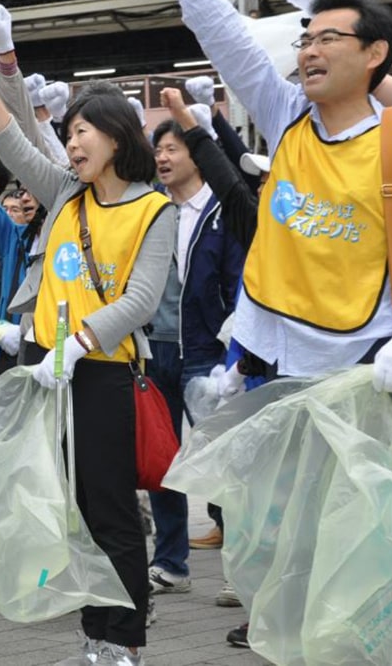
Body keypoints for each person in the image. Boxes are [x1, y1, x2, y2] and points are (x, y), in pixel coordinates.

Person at [142, 0, 392, 648]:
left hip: (363, 361)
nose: (309, 51)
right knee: (275, 518)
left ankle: (355, 638)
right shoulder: (288, 116)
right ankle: (288, 632)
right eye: (305, 38)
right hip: (268, 357)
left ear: (376, 55)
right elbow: (230, 43)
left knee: (358, 517)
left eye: (328, 37)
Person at [0, 36, 174, 666]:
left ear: (120, 138)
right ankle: (90, 633)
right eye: (70, 134)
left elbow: (142, 298)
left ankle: (122, 639)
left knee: (109, 511)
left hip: (97, 372)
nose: (73, 145)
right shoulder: (66, 194)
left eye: (86, 133)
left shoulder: (152, 209)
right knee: (66, 507)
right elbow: (15, 142)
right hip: (41, 368)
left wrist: (78, 343)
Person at [143, 109, 244, 606]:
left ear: (197, 157)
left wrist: (233, 351)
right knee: (162, 458)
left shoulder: (222, 211)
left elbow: (237, 281)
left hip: (207, 352)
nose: (162, 158)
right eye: (158, 150)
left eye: (172, 149)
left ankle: (240, 568)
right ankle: (170, 562)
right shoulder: (153, 210)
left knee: (219, 460)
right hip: (156, 347)